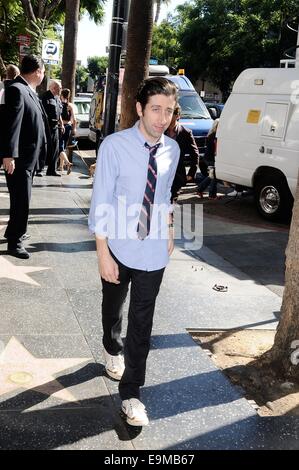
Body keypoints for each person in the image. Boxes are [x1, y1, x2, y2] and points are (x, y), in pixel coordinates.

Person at [88, 77, 180, 427]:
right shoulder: (114, 146)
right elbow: (101, 202)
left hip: (154, 248)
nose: (162, 118)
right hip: (117, 244)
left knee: (142, 322)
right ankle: (112, 349)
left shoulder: (172, 149)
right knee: (113, 306)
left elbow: (166, 193)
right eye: (156, 109)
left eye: (169, 111)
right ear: (140, 108)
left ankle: (131, 394)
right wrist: (102, 253)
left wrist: (170, 229)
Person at [0, 54, 46, 259]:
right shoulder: (16, 90)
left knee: (22, 199)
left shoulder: (28, 90)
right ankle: (15, 242)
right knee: (21, 200)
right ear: (37, 71)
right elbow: (12, 123)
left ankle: (13, 231)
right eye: (43, 72)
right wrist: (9, 154)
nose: (43, 75)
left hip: (29, 158)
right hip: (19, 159)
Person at [165, 104, 199, 201]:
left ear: (178, 116)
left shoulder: (185, 133)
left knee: (171, 201)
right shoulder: (160, 130)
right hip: (160, 173)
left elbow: (195, 154)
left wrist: (191, 173)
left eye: (170, 113)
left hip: (177, 174)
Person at [42, 79, 63, 176]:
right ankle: (39, 169)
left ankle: (51, 170)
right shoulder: (44, 97)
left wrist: (61, 124)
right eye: (59, 88)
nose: (61, 90)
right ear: (53, 88)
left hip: (55, 127)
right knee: (43, 148)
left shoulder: (57, 98)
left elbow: (59, 113)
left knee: (56, 149)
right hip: (46, 126)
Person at [195, 118, 220, 199]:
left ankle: (199, 190)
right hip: (211, 159)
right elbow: (215, 150)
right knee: (214, 177)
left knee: (211, 176)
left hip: (207, 158)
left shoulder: (210, 135)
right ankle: (212, 195)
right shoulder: (215, 136)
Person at [58, 88, 76, 173]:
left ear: (61, 95)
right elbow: (74, 119)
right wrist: (74, 129)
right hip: (68, 127)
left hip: (61, 127)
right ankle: (61, 167)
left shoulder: (59, 104)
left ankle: (68, 163)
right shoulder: (70, 105)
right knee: (63, 147)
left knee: (60, 148)